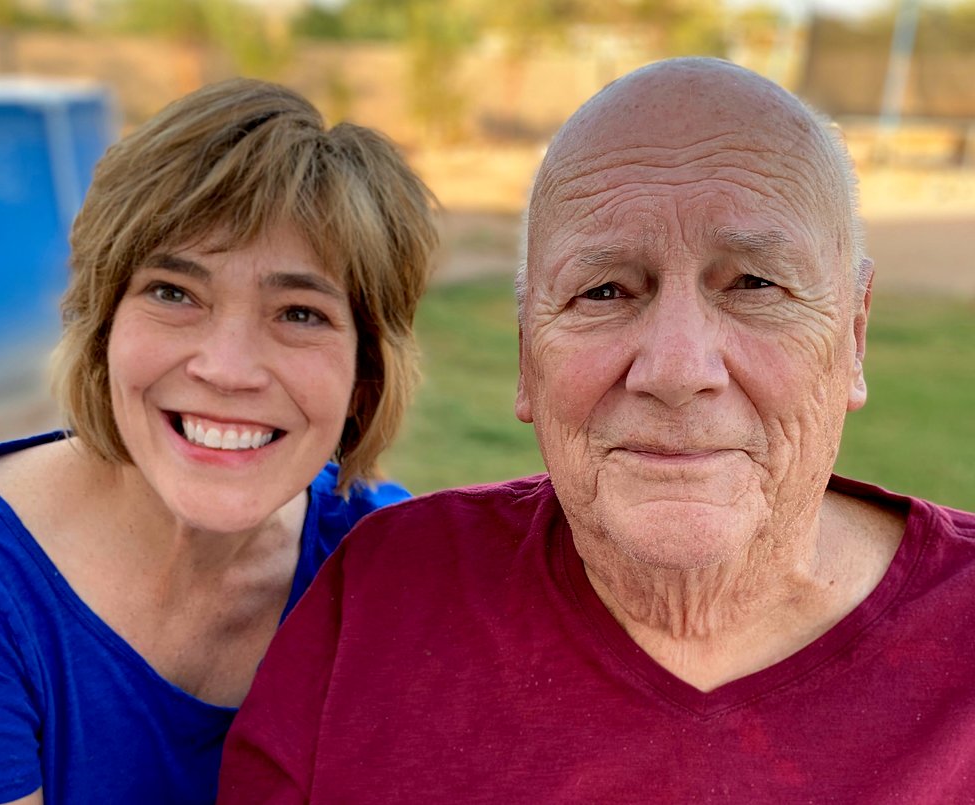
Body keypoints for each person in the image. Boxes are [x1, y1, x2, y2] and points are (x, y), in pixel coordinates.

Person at [219, 57, 975, 802]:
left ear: (854, 334)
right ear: (527, 354)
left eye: (754, 284)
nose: (676, 368)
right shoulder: (381, 600)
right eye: (604, 290)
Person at [0, 77, 437, 804]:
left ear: (366, 374)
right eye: (175, 293)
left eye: (299, 312)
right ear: (103, 324)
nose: (227, 369)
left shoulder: (382, 565)